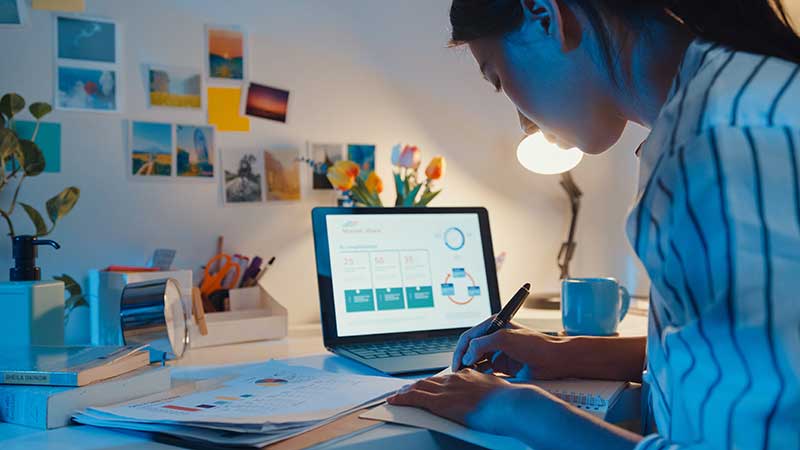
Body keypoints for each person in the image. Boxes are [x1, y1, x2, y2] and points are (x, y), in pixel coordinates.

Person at [387, 1, 800, 448]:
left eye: (499, 79)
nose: (524, 122)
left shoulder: (725, 145)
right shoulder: (723, 106)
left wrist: (515, 408)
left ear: (546, 17)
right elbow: (723, 352)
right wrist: (567, 353)